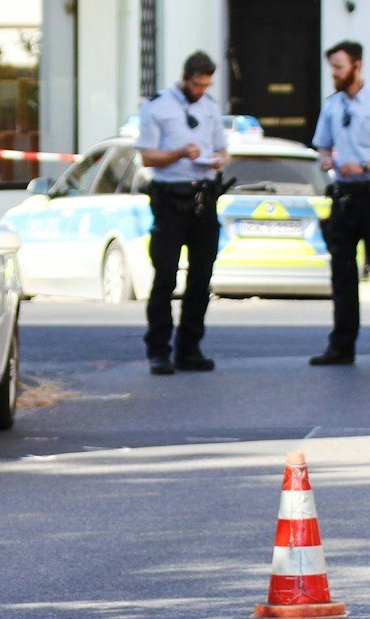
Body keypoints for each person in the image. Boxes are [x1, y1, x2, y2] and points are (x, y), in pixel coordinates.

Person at [308, 40, 370, 368]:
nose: (334, 74)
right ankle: (342, 345)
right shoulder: (332, 105)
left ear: (356, 66)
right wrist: (326, 160)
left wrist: (364, 166)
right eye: (332, 68)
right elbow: (323, 146)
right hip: (344, 196)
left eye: (339, 67)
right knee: (343, 272)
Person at [135, 51, 230, 376]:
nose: (201, 90)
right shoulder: (158, 105)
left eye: (206, 85)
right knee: (165, 277)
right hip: (170, 199)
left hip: (204, 198)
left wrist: (219, 159)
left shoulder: (210, 107)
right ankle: (159, 351)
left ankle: (189, 348)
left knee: (201, 277)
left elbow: (223, 148)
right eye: (197, 84)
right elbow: (147, 156)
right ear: (185, 77)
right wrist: (177, 153)